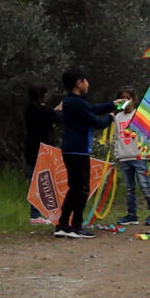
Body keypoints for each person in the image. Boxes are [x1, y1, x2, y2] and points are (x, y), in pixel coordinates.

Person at [54, 67, 114, 239]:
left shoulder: (69, 102)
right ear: (79, 83)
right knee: (82, 189)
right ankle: (77, 226)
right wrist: (110, 117)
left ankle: (63, 224)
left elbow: (91, 110)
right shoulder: (78, 103)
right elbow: (96, 122)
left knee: (74, 188)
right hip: (79, 151)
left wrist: (112, 104)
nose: (88, 84)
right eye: (86, 80)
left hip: (69, 149)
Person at [110, 86, 150, 228]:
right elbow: (116, 138)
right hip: (124, 157)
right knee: (129, 188)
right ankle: (132, 215)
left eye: (128, 98)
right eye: (122, 98)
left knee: (145, 185)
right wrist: (117, 154)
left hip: (140, 156)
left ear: (134, 100)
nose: (125, 101)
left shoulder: (140, 116)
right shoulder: (118, 118)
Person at [24, 83, 56, 222]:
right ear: (42, 96)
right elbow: (55, 118)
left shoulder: (29, 110)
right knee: (42, 181)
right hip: (42, 150)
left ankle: (36, 213)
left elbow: (47, 115)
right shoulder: (45, 111)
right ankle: (36, 214)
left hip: (30, 148)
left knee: (34, 180)